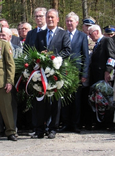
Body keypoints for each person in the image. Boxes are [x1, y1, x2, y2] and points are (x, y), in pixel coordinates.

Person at [32, 9, 71, 139]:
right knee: (40, 101)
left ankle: (53, 128)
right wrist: (39, 57)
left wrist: (54, 58)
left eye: (52, 17)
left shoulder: (63, 34)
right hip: (42, 72)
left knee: (55, 101)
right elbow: (35, 51)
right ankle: (40, 128)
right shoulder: (40, 34)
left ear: (57, 19)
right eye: (48, 17)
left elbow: (67, 50)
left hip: (56, 71)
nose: (50, 19)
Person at [59, 11, 89, 134]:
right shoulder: (61, 35)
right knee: (65, 99)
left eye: (71, 21)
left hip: (76, 73)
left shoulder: (82, 36)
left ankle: (76, 124)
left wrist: (84, 74)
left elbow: (86, 56)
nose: (69, 23)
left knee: (76, 100)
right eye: (67, 21)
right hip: (64, 72)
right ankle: (66, 123)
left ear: (76, 22)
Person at [88, 24, 115, 131]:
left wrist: (108, 71)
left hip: (103, 75)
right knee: (99, 101)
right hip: (96, 76)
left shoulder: (107, 41)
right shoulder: (97, 44)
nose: (90, 37)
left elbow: (111, 57)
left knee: (107, 100)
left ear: (96, 32)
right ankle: (100, 122)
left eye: (90, 34)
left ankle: (109, 122)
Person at [0, 27, 21, 133]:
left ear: (10, 37)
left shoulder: (17, 49)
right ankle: (1, 127)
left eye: (3, 35)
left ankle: (13, 126)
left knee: (12, 105)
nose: (1, 37)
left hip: (13, 81)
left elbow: (19, 64)